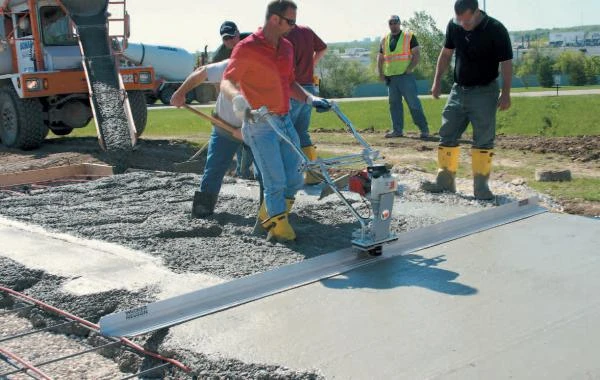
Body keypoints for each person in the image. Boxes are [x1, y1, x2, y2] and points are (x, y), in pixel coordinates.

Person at [220, 0, 332, 242]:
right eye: (290, 21)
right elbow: (227, 82)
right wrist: (238, 100)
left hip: (284, 120)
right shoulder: (247, 48)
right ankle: (279, 231)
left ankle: (269, 215)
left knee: (294, 177)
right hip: (260, 124)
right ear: (274, 20)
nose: (294, 26)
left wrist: (311, 99)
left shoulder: (288, 48)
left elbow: (289, 83)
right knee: (275, 180)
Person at [422, 0, 513, 200]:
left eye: (467, 20)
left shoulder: (496, 29)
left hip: (485, 92)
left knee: (483, 139)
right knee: (447, 133)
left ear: (476, 12)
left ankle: (481, 188)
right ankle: (445, 182)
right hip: (458, 90)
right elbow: (446, 54)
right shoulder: (454, 26)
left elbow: (506, 63)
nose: (463, 24)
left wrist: (506, 92)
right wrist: (437, 81)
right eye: (459, 20)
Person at [171, 59, 247, 218]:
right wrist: (180, 93)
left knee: (267, 172)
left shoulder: (270, 68)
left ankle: (270, 214)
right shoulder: (230, 64)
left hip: (258, 131)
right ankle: (202, 211)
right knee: (214, 169)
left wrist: (249, 130)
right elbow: (202, 72)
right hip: (224, 128)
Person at [285, 24, 327, 184]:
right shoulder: (307, 31)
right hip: (309, 88)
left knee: (286, 133)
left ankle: (289, 176)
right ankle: (313, 175)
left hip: (293, 88)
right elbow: (322, 48)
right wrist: (311, 64)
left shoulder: (283, 35)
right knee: (301, 132)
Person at [212, 21, 254, 179]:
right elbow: (217, 81)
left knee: (252, 136)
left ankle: (248, 170)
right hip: (234, 101)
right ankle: (242, 171)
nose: (229, 40)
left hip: (252, 98)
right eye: (225, 38)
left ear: (238, 33)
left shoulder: (250, 42)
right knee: (237, 135)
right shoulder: (220, 55)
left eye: (232, 36)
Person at [377, 15, 429, 139]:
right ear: (388, 24)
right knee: (394, 105)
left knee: (413, 104)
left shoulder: (408, 36)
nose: (393, 25)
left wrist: (410, 68)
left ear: (400, 24)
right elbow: (380, 58)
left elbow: (416, 54)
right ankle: (397, 130)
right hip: (391, 78)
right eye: (391, 23)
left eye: (395, 23)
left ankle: (424, 130)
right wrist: (380, 73)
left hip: (406, 77)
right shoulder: (384, 39)